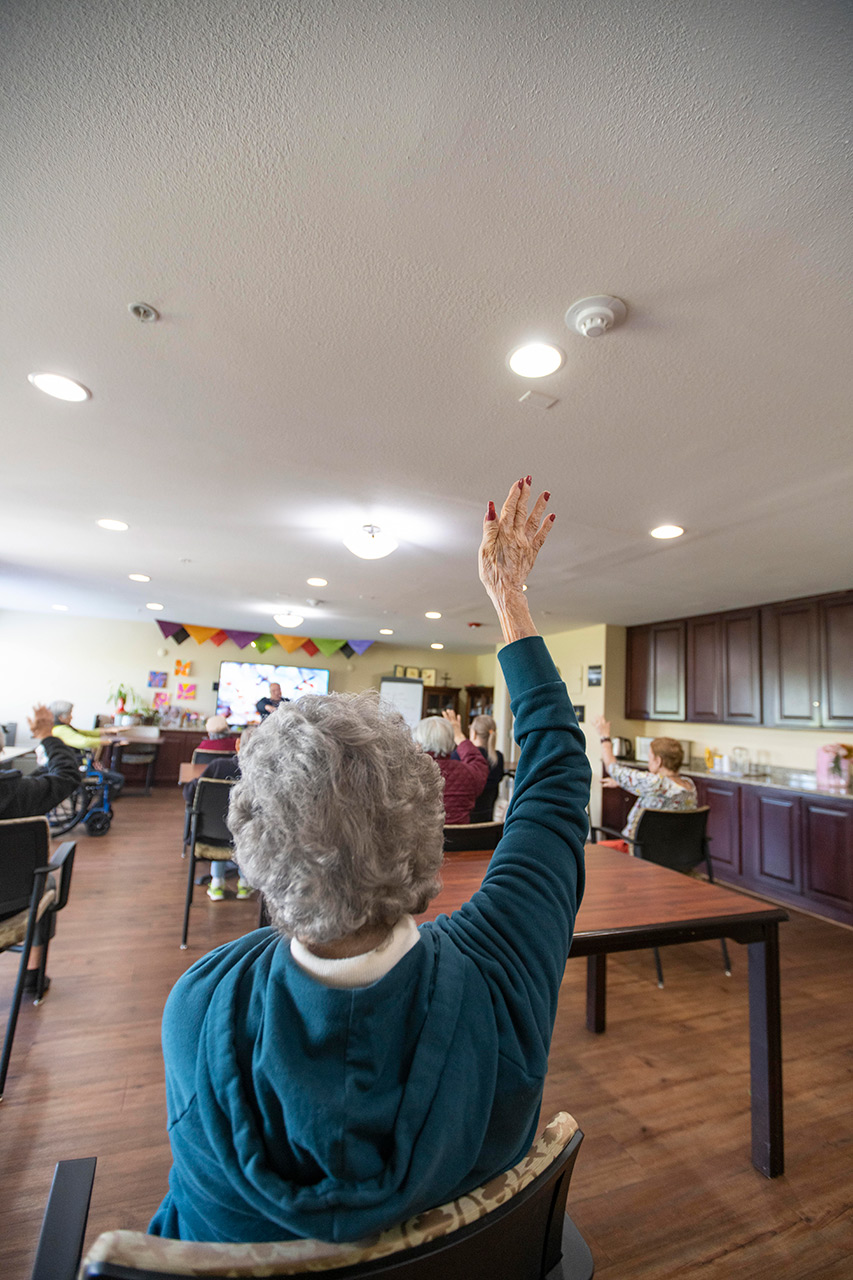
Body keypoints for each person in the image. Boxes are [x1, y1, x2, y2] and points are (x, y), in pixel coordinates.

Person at [149, 475, 591, 1245]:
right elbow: (555, 776)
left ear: (252, 848)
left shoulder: (200, 1003)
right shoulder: (504, 962)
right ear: (426, 825)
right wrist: (508, 596)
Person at [0, 705, 83, 995]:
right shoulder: (20, 796)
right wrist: (47, 735)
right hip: (10, 906)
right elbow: (68, 775)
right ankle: (32, 974)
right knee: (40, 880)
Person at [593, 714, 697, 852]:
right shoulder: (689, 785)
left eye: (649, 757)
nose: (648, 762)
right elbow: (659, 792)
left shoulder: (655, 783)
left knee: (592, 853)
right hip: (671, 851)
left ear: (658, 761)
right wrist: (621, 783)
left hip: (637, 848)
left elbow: (612, 768)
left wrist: (604, 736)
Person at [183, 727, 257, 901]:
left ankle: (216, 883)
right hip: (248, 839)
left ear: (238, 745)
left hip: (210, 837)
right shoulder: (263, 774)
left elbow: (189, 793)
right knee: (239, 827)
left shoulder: (218, 766)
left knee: (219, 819)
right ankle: (245, 884)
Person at [412, 709, 489, 823]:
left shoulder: (409, 773)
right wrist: (459, 736)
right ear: (451, 740)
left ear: (418, 742)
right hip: (463, 840)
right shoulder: (469, 773)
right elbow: (478, 761)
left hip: (421, 840)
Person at [48, 701, 126, 800]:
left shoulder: (60, 728)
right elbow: (85, 741)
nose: (71, 717)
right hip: (76, 767)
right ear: (60, 717)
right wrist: (110, 741)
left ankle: (98, 807)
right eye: (69, 714)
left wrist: (108, 731)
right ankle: (99, 807)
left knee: (114, 776)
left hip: (74, 765)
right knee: (118, 779)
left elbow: (86, 733)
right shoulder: (61, 730)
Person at [457, 713, 505, 823]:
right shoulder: (499, 758)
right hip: (488, 820)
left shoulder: (460, 756)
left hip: (465, 821)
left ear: (473, 734)